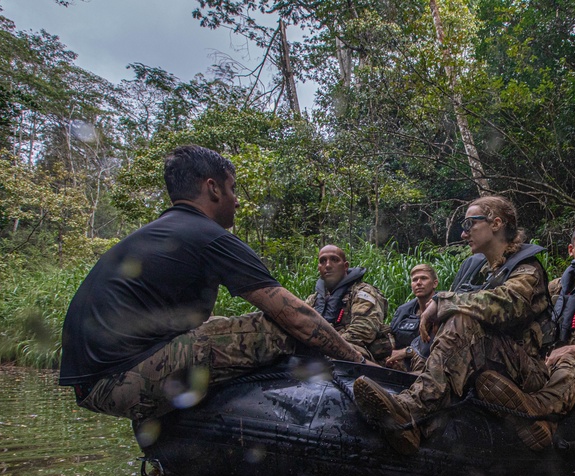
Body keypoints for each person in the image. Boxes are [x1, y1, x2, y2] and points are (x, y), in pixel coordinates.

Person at [59, 145, 362, 431]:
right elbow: (294, 316)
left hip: (92, 384)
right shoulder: (209, 236)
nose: (237, 200)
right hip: (122, 379)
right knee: (277, 329)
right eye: (232, 188)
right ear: (213, 188)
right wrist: (360, 364)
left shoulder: (161, 232)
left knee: (220, 325)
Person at [351, 195, 552, 455]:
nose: (463, 232)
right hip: (497, 358)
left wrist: (442, 301)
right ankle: (421, 426)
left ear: (496, 223)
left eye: (470, 223)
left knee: (460, 318)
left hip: (528, 369)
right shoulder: (487, 272)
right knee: (456, 318)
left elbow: (509, 304)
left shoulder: (527, 268)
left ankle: (411, 409)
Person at [473, 222, 575, 448]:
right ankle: (531, 418)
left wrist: (573, 349)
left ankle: (533, 409)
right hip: (549, 360)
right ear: (571, 250)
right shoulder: (555, 288)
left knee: (573, 364)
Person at [305, 245, 393, 363]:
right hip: (320, 350)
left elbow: (363, 330)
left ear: (345, 266)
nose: (328, 265)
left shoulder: (362, 292)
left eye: (334, 260)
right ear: (319, 267)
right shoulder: (313, 299)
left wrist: (327, 346)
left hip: (357, 352)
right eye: (323, 261)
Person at [384, 263, 439, 372]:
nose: (418, 283)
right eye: (415, 280)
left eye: (424, 278)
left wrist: (407, 352)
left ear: (435, 283)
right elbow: (392, 336)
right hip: (401, 365)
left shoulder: (444, 306)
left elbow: (441, 345)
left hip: (431, 363)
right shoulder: (403, 310)